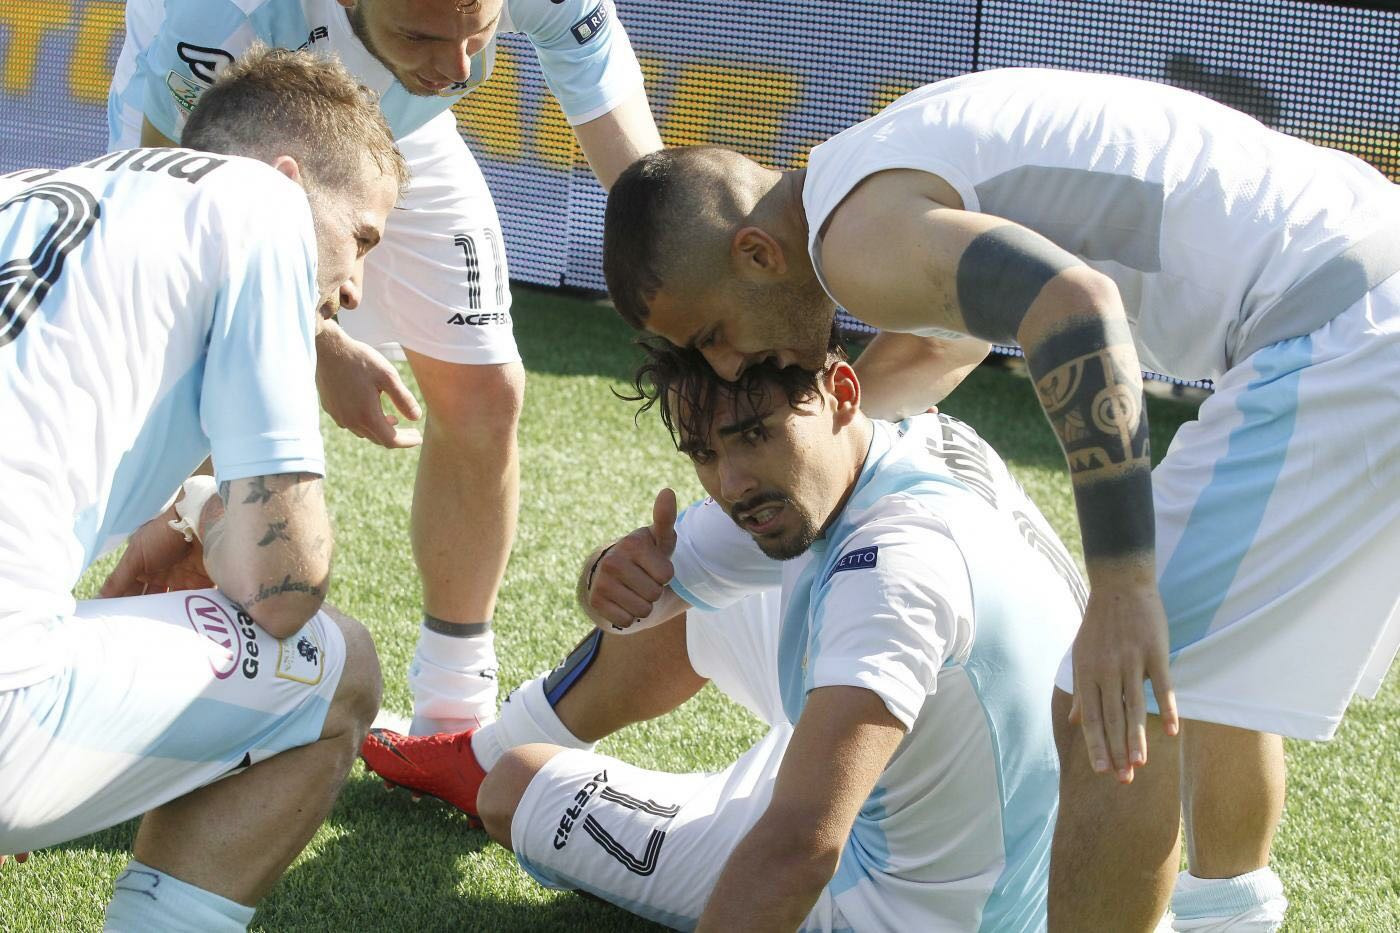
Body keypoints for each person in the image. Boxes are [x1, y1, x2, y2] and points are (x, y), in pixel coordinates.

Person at [598, 68, 1400, 931]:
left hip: (1339, 331)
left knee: (1108, 692)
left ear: (758, 255)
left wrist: (1122, 587)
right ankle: (1229, 920)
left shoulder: (850, 242)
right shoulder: (865, 170)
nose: (725, 366)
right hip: (1364, 277)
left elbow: (1076, 305)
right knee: (1199, 663)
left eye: (713, 335)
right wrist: (764, 491)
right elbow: (942, 351)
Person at [360, 339, 1085, 930]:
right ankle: (483, 749)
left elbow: (800, 850)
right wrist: (606, 576)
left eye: (753, 435)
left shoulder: (889, 567)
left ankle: (496, 766)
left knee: (513, 788)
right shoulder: (913, 440)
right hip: (971, 820)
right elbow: (644, 591)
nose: (732, 482)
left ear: (842, 392)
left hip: (890, 905)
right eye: (704, 453)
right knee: (698, 594)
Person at [108, 0, 664, 735]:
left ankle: (453, 713)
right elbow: (176, 222)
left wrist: (685, 290)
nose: (459, 67)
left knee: (487, 388)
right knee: (211, 382)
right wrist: (317, 338)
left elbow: (648, 194)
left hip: (399, 129)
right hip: (226, 139)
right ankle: (189, 691)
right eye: (421, 35)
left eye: (478, 33)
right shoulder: (216, 18)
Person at [0, 48, 406, 930]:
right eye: (362, 238)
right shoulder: (261, 207)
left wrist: (181, 512)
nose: (354, 288)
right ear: (287, 180)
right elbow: (284, 588)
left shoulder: (28, 191)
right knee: (341, 667)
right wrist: (212, 515)